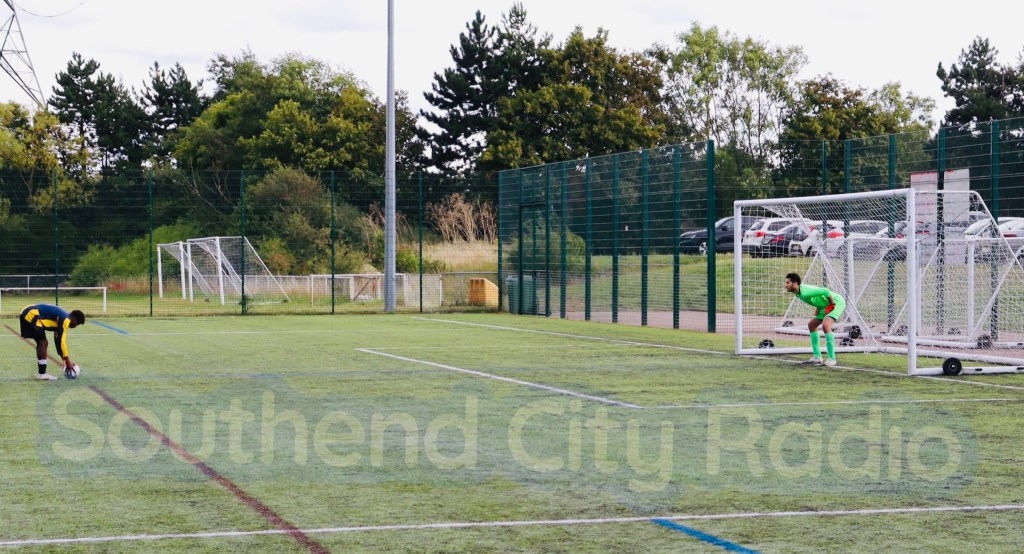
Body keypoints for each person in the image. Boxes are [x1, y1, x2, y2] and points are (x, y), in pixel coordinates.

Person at [784, 273, 845, 367]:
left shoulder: (805, 291)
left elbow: (825, 291)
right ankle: (817, 357)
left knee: (826, 325)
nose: (786, 285)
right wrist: (818, 308)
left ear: (795, 283)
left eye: (788, 282)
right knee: (812, 325)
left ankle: (832, 359)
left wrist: (832, 305)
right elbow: (817, 296)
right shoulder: (798, 293)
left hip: (836, 302)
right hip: (823, 306)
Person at [18, 304, 85, 380]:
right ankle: (42, 374)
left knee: (42, 342)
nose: (75, 326)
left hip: (27, 312)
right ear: (74, 320)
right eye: (77, 324)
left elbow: (57, 340)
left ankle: (41, 373)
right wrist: (67, 360)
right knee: (43, 342)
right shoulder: (66, 320)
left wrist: (63, 359)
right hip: (31, 314)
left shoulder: (63, 318)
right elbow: (62, 342)